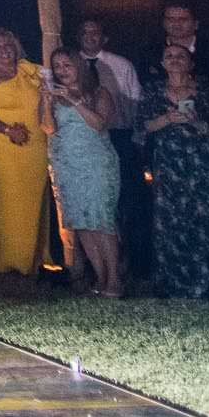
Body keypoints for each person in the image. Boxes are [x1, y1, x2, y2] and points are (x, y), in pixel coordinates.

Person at [138, 43, 209, 303]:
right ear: (163, 63)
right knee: (173, 223)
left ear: (191, 63)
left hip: (206, 167)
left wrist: (196, 121)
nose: (174, 60)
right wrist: (168, 119)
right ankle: (176, 286)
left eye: (180, 56)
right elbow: (142, 126)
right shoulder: (153, 91)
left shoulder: (206, 91)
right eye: (169, 56)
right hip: (170, 166)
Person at [41, 47, 122, 297]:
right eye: (58, 66)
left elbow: (99, 124)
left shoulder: (99, 93)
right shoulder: (53, 95)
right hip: (67, 164)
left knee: (102, 220)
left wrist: (74, 100)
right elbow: (47, 127)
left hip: (96, 163)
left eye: (67, 65)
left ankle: (115, 279)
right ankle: (100, 277)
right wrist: (46, 100)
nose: (62, 71)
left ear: (79, 66)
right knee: (82, 222)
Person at [77, 17, 149, 280]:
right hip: (84, 141)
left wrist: (137, 139)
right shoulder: (72, 65)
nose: (90, 36)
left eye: (95, 31)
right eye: (85, 32)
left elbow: (136, 103)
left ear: (103, 37)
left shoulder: (121, 65)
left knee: (127, 199)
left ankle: (134, 261)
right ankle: (92, 264)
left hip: (119, 136)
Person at [0, 29, 48, 276]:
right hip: (2, 141)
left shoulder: (28, 69)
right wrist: (7, 130)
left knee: (35, 194)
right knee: (11, 192)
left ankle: (36, 255)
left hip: (35, 140)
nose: (5, 50)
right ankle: (9, 258)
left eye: (9, 45)